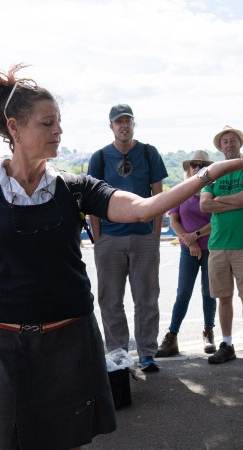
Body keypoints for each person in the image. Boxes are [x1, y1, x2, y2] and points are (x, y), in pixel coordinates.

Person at [0, 65, 243, 449]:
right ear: (15, 129)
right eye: (47, 123)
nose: (59, 132)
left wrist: (209, 174)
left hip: (73, 343)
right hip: (9, 350)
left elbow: (143, 208)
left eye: (59, 122)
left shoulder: (76, 188)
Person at [88, 104, 168, 373]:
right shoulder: (99, 157)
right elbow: (92, 201)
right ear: (111, 126)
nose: (124, 126)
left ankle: (147, 353)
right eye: (118, 122)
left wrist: (155, 235)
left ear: (134, 124)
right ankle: (118, 354)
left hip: (144, 236)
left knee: (146, 298)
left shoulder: (148, 152)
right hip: (110, 238)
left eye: (128, 121)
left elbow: (159, 196)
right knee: (110, 300)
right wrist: (99, 238)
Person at [201, 125, 243, 365]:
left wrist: (220, 199)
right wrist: (234, 202)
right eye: (225, 141)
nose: (229, 144)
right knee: (223, 298)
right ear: (220, 147)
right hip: (218, 244)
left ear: (240, 144)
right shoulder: (212, 173)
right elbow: (204, 205)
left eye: (233, 140)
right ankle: (227, 344)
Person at [156, 150, 217, 357]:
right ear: (188, 168)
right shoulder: (180, 191)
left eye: (202, 164)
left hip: (210, 248)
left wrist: (196, 235)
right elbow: (174, 220)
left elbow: (216, 219)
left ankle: (209, 332)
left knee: (209, 293)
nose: (197, 168)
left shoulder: (214, 189)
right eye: (194, 164)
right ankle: (172, 336)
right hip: (187, 250)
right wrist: (189, 241)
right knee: (183, 293)